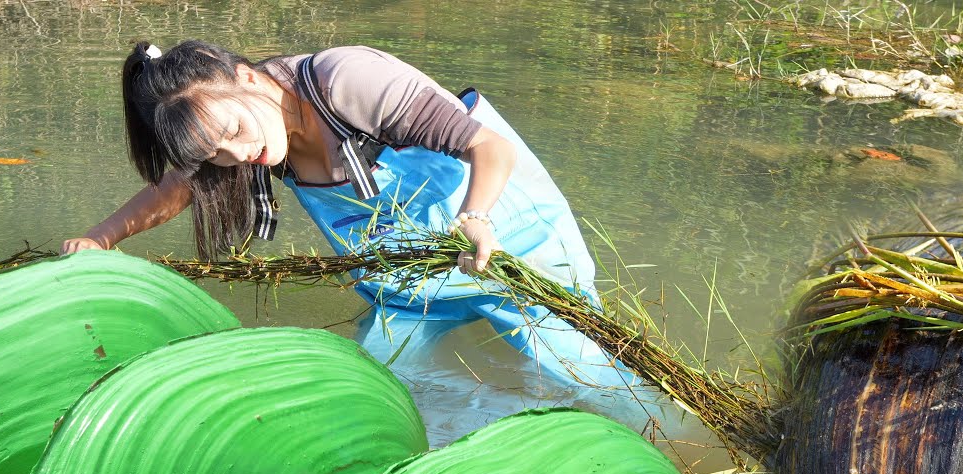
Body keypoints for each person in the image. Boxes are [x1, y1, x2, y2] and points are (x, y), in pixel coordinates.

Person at [63, 40, 637, 390]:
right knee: (377, 390)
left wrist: (477, 217)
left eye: (234, 132)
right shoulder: (248, 130)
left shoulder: (346, 82)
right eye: (215, 153)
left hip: (513, 249)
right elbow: (175, 189)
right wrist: (100, 237)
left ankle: (677, 448)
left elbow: (491, 149)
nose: (237, 157)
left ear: (243, 77)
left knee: (595, 383)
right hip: (407, 286)